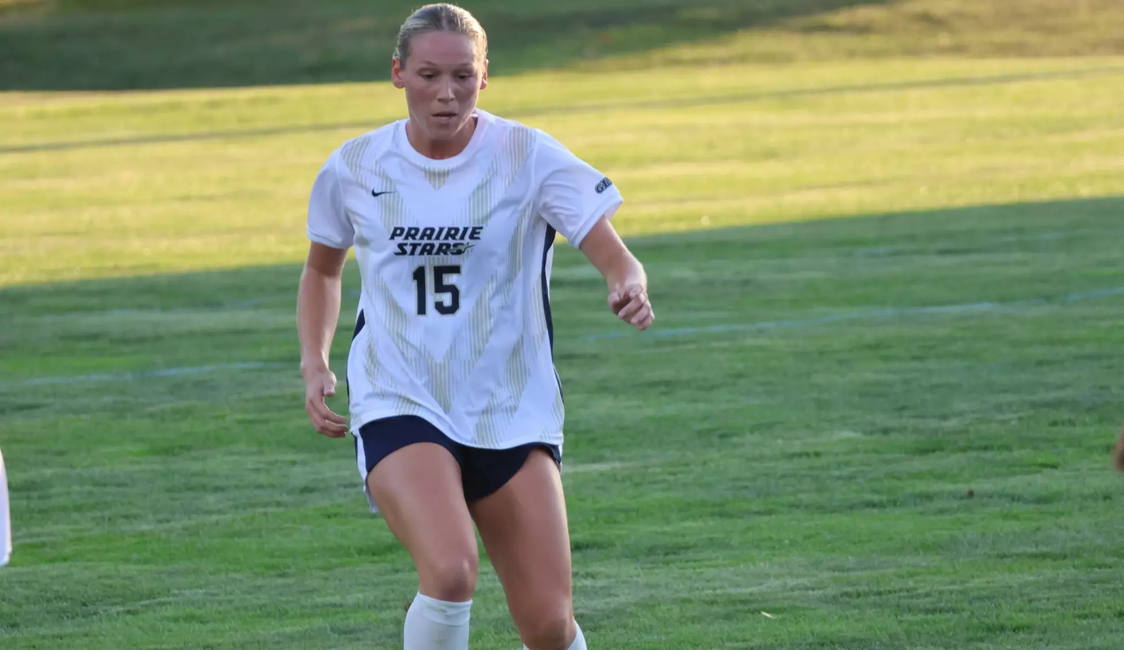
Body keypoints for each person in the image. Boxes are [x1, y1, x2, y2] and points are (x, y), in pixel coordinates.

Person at [296, 4, 654, 649]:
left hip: (511, 405)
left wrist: (626, 280)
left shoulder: (527, 154)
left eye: (463, 75)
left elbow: (610, 249)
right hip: (401, 397)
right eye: (430, 74)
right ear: (399, 73)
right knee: (452, 570)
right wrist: (314, 360)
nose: (447, 91)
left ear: (485, 76)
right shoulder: (355, 166)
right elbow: (323, 269)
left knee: (548, 625)